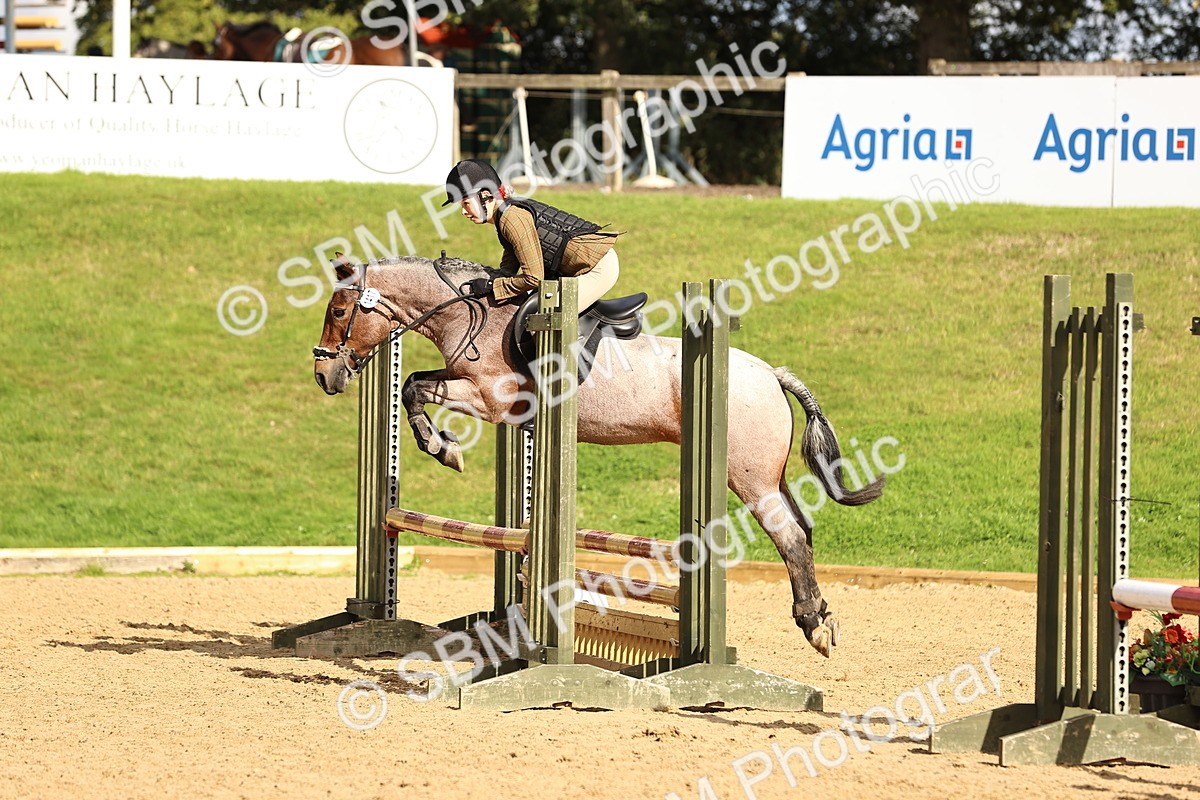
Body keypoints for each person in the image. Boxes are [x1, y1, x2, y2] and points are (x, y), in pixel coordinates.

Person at [442, 159, 620, 310]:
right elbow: (508, 269)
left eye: (465, 203)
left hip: (597, 268)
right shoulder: (504, 216)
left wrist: (490, 285)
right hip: (577, 268)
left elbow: (533, 278)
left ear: (485, 195)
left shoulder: (511, 218)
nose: (464, 212)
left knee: (546, 318)